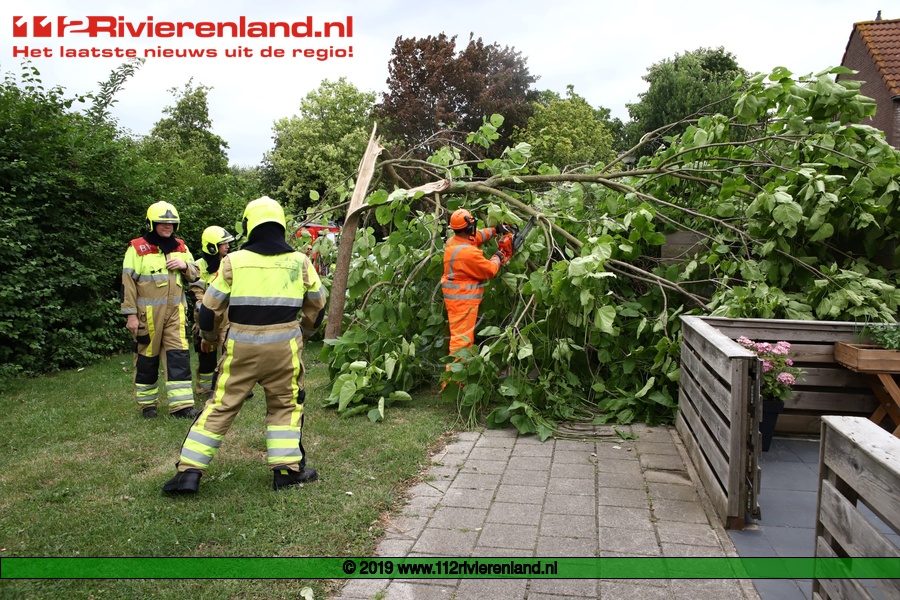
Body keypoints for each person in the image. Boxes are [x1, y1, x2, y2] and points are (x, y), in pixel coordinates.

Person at [163, 196, 327, 495]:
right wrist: (301, 333)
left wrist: (209, 338)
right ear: (281, 224)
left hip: (241, 349)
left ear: (249, 225)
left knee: (221, 405)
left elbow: (208, 311)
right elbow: (317, 308)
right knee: (285, 405)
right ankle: (287, 471)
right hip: (284, 350)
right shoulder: (300, 262)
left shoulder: (233, 261)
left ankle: (188, 473)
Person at [121, 201, 201, 419]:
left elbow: (196, 274)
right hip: (147, 315)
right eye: (163, 223)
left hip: (176, 313)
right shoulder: (137, 248)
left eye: (172, 223)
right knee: (147, 359)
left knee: (178, 357)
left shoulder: (181, 247)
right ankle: (147, 405)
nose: (168, 227)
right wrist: (130, 315)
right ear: (151, 224)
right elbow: (127, 284)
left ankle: (182, 406)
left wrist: (185, 266)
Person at [440, 209, 515, 358]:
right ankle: (455, 373)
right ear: (469, 227)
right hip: (462, 302)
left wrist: (496, 230)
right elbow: (489, 270)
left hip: (457, 298)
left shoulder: (454, 241)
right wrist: (499, 256)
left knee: (463, 340)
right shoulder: (468, 253)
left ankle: (461, 370)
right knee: (461, 343)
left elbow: (478, 236)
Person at [189, 225, 234, 400]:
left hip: (228, 317)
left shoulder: (229, 263)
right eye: (223, 243)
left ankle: (228, 387)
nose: (227, 246)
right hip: (205, 317)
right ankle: (206, 388)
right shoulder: (199, 266)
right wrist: (205, 312)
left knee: (229, 353)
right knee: (206, 354)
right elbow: (196, 293)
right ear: (212, 246)